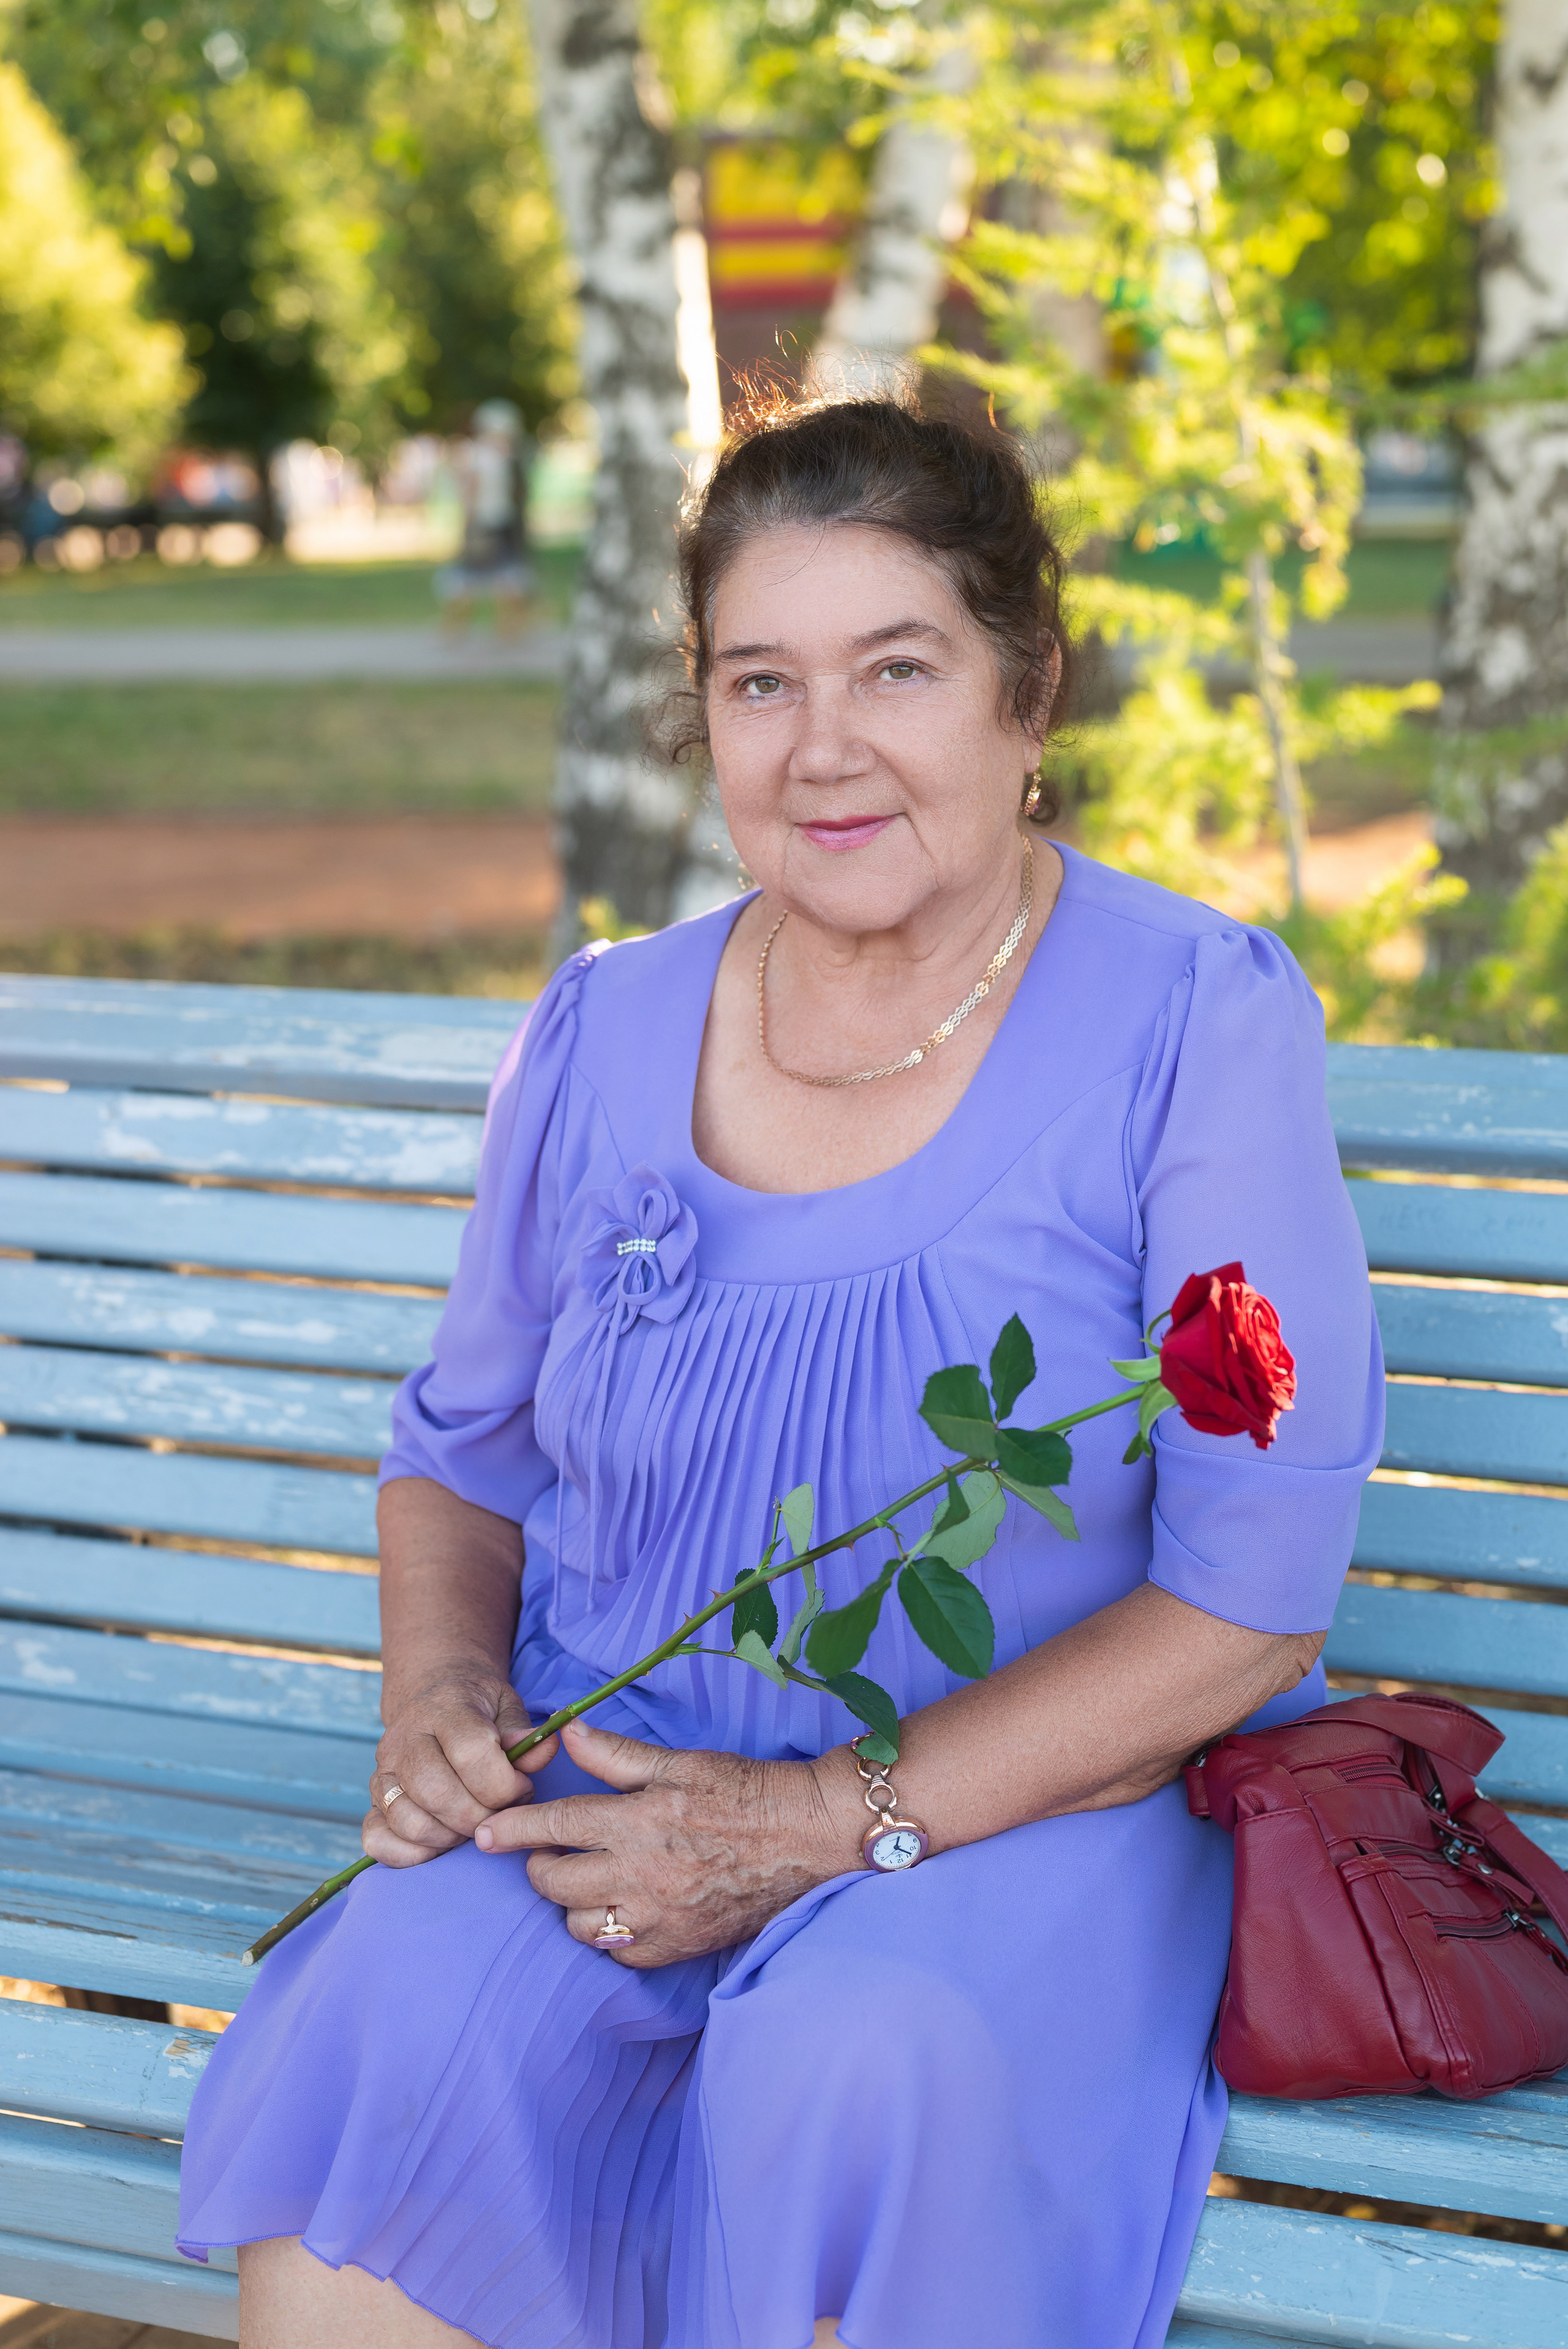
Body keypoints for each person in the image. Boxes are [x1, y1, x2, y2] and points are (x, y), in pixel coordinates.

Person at [178, 395, 1384, 2349]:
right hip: (614, 1795)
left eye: (894, 669)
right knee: (404, 2000)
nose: (822, 747)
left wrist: (823, 1821)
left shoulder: (1191, 1022)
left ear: (1027, 691)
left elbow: (1247, 1602)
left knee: (852, 2049)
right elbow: (457, 1457)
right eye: (761, 681)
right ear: (705, 714)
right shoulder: (602, 1026)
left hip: (1019, 1822)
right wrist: (441, 1694)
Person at [437, 399, 535, 638]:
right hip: (487, 524)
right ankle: (461, 630)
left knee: (495, 580)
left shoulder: (489, 455)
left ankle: (502, 629)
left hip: (493, 523)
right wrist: (469, 520)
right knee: (486, 580)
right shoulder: (485, 456)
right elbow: (472, 490)